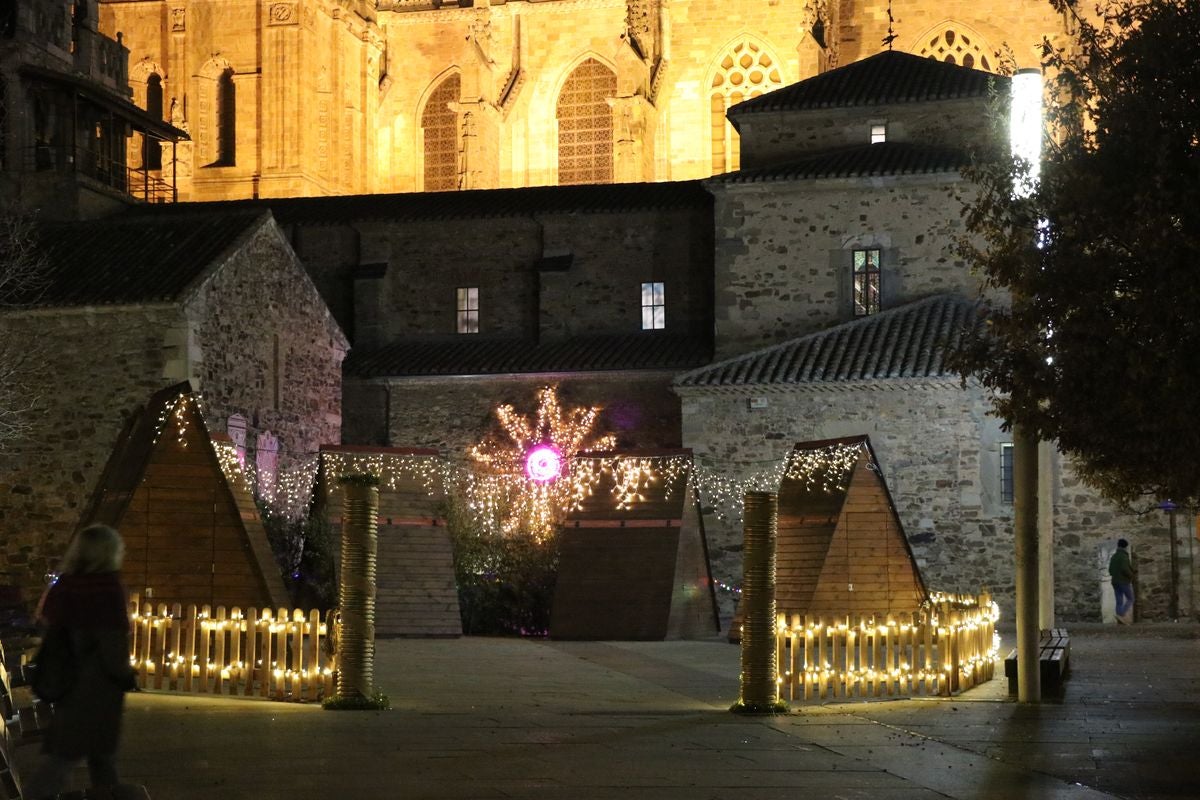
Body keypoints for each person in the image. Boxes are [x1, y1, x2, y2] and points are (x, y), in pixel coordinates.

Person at [23, 524, 138, 800]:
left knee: (95, 756)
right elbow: (112, 644)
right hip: (96, 686)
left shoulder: (65, 585)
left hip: (66, 680)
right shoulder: (107, 590)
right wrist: (124, 674)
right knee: (70, 757)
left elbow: (47, 627)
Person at [1109, 538, 1135, 624]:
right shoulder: (1124, 556)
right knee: (1131, 598)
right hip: (1123, 581)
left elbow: (1110, 570)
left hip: (1115, 581)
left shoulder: (1114, 556)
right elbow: (1125, 568)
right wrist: (1131, 575)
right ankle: (1122, 614)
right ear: (1125, 547)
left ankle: (1119, 617)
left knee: (1119, 600)